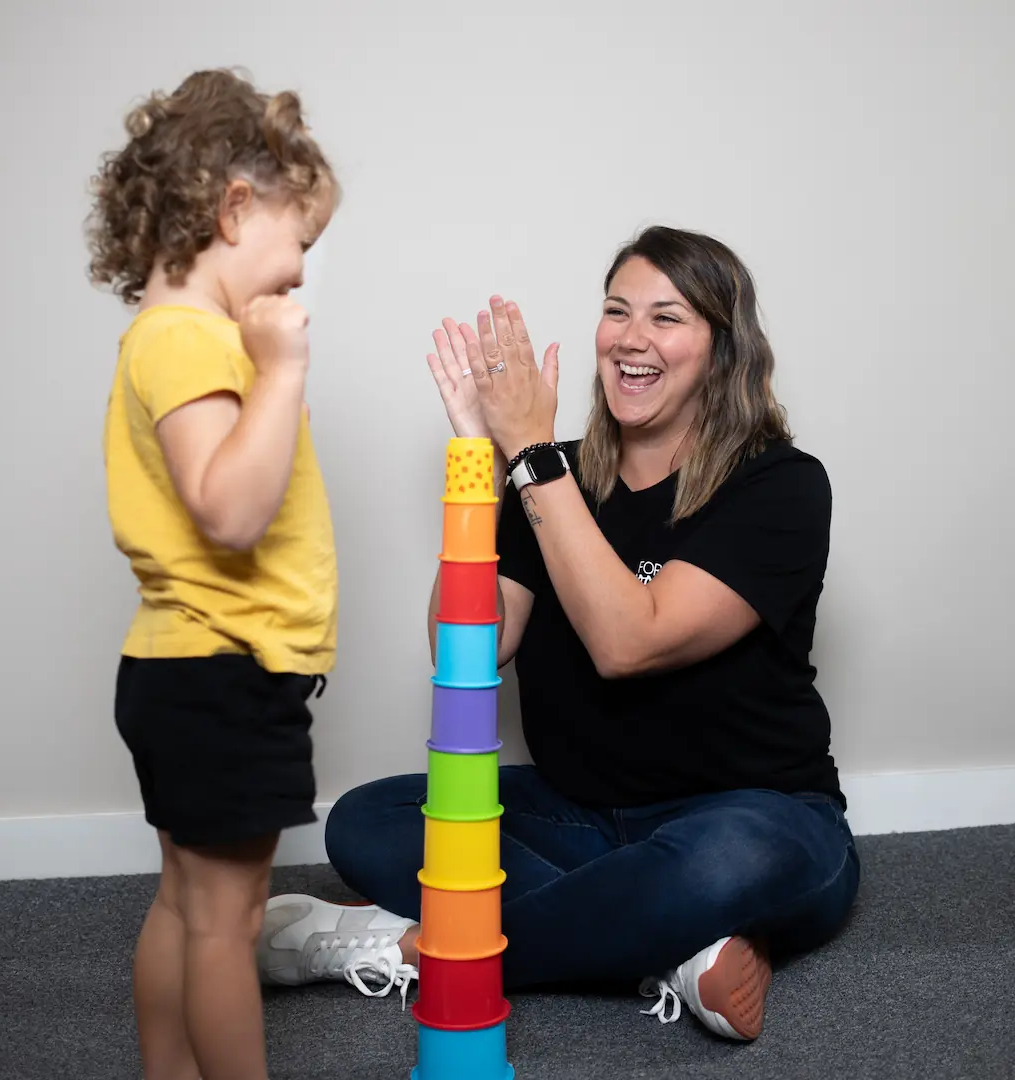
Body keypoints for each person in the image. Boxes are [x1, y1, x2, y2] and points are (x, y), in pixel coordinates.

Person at [258, 226, 860, 1042]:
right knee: (367, 819)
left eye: (667, 317)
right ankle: (672, 948)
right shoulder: (553, 475)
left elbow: (628, 643)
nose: (632, 338)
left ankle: (411, 947)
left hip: (754, 813)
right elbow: (464, 648)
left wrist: (531, 457)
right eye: (617, 312)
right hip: (580, 813)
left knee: (717, 867)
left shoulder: (780, 486)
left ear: (722, 350)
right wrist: (479, 454)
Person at [90, 69, 338, 1080]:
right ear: (234, 210)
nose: (297, 282)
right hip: (223, 670)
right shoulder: (192, 342)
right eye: (297, 252)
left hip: (181, 667)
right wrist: (280, 373)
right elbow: (229, 510)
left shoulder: (167, 337)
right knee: (226, 924)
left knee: (188, 906)